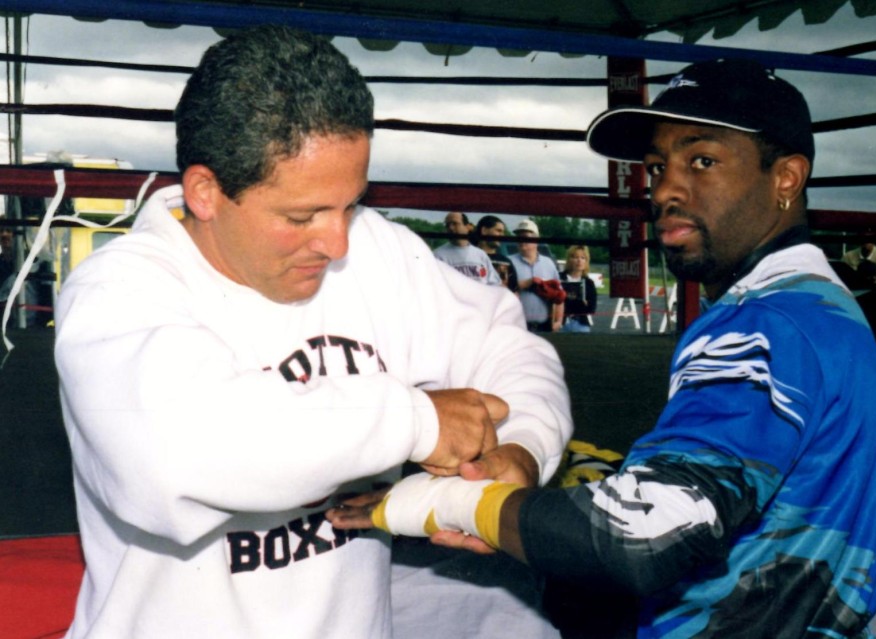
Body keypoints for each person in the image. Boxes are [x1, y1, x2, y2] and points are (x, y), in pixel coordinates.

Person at [330, 58, 876, 637]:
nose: (667, 189)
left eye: (702, 160)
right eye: (657, 167)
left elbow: (636, 538)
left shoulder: (763, 327)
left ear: (786, 178)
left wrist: (437, 502)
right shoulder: (818, 308)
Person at [53, 25, 571, 639]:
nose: (338, 242)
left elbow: (507, 347)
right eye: (302, 217)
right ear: (205, 193)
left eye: (350, 203)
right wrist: (416, 423)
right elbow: (183, 452)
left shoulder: (380, 254)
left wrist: (522, 449)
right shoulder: (119, 296)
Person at [510, 219, 564, 332]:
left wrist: (558, 321)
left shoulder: (548, 263)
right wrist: (526, 283)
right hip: (517, 327)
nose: (521, 240)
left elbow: (559, 296)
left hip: (544, 327)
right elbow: (500, 290)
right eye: (518, 237)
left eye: (525, 236)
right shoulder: (509, 262)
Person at [433, 211, 503, 286]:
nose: (451, 228)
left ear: (467, 227)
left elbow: (494, 284)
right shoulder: (438, 255)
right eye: (447, 225)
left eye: (455, 223)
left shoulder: (480, 254)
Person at [472, 214, 518, 293]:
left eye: (503, 232)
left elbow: (514, 292)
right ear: (484, 231)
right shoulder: (469, 257)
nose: (502, 235)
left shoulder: (506, 262)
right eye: (498, 231)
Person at [559, 245, 597, 333]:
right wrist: (579, 304)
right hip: (561, 324)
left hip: (581, 324)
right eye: (576, 257)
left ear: (586, 261)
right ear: (569, 259)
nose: (579, 261)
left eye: (583, 258)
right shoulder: (559, 278)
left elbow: (591, 309)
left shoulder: (589, 283)